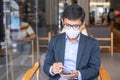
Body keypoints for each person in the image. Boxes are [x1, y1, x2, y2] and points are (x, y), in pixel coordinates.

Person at [43, 4, 100, 80]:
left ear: (83, 24)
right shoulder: (54, 41)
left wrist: (78, 74)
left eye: (76, 26)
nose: (71, 29)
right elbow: (46, 65)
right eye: (67, 25)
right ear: (62, 21)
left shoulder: (92, 44)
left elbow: (95, 69)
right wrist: (52, 69)